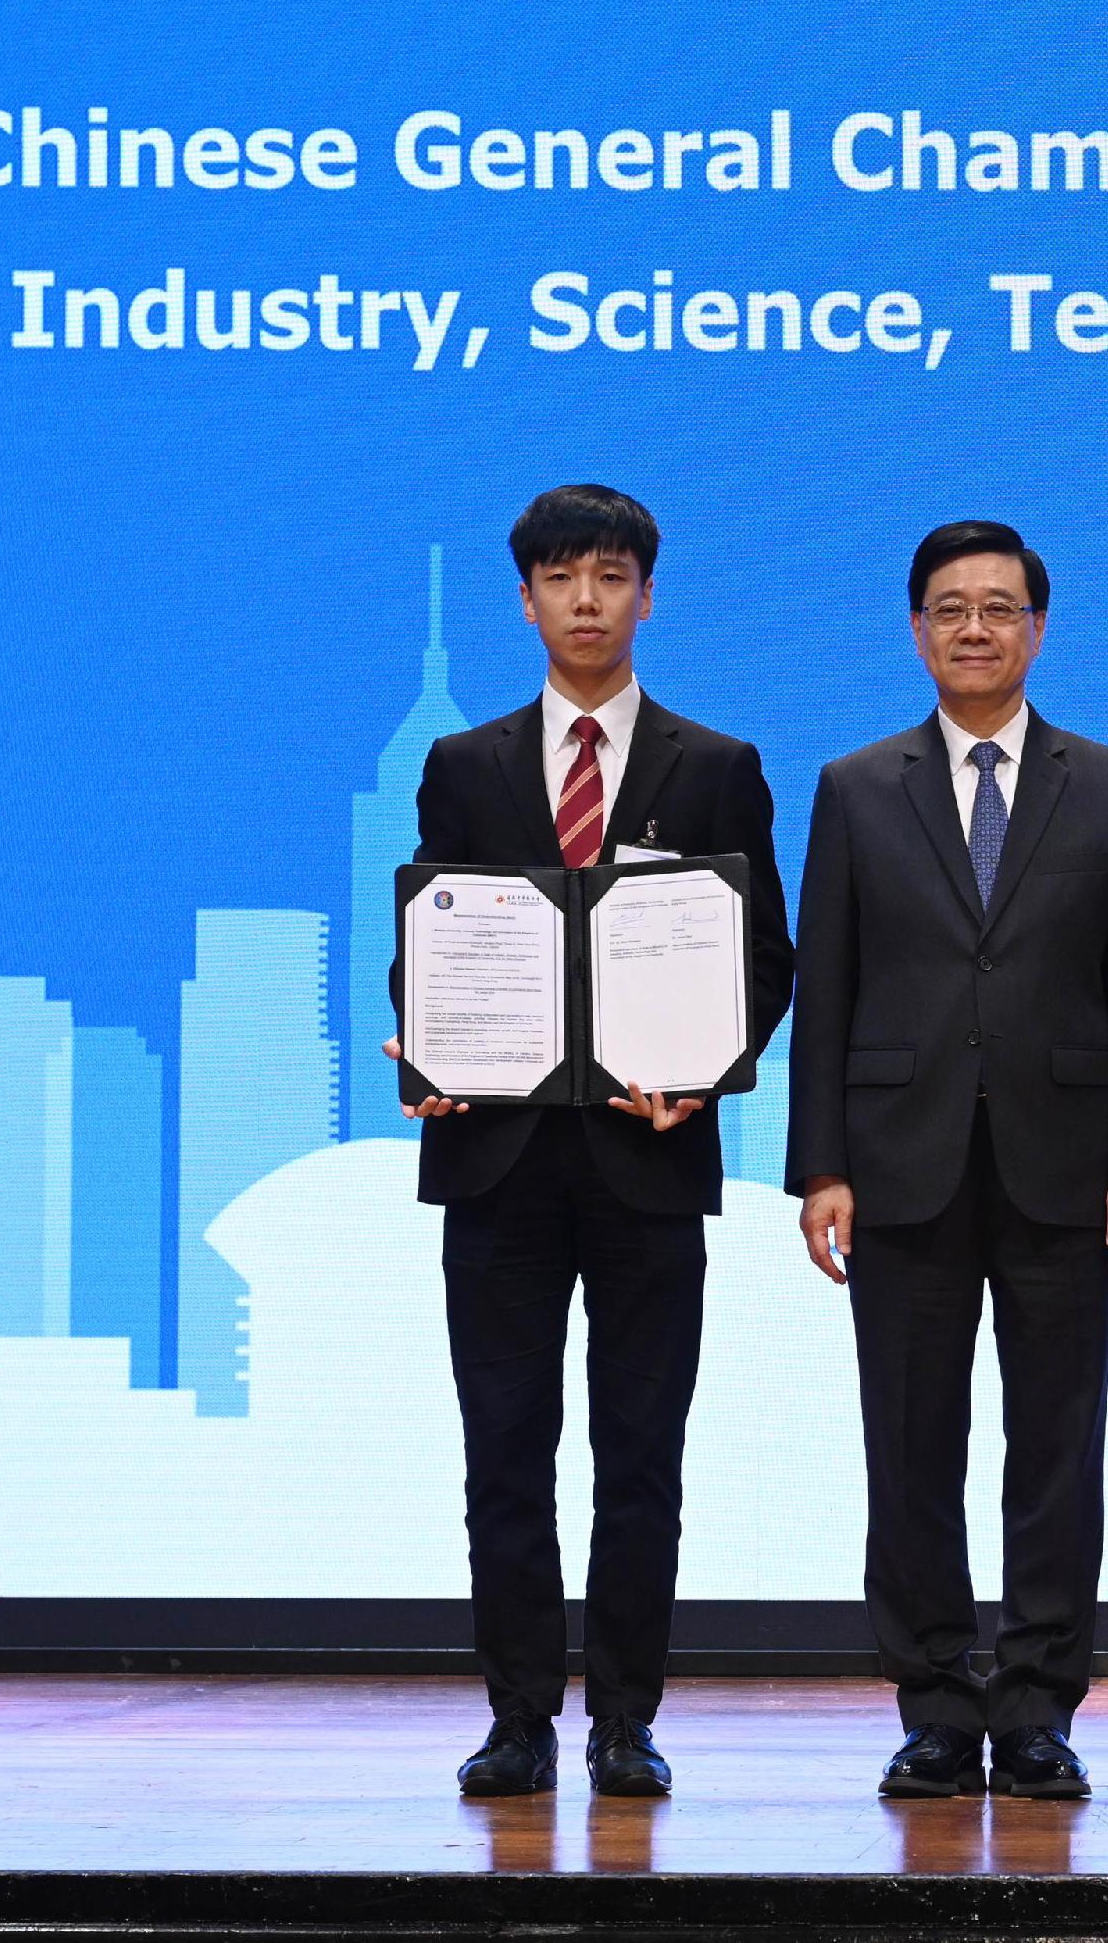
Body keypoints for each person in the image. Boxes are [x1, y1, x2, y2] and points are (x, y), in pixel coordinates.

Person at [389, 484, 794, 1803]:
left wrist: (710, 1064)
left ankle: (625, 1716)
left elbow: (767, 955)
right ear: (525, 598)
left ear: (647, 595)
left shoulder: (717, 764)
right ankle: (517, 1714)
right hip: (496, 1161)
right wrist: (426, 1047)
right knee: (502, 1451)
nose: (584, 598)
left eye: (609, 575)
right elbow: (434, 941)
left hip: (648, 1155)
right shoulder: (465, 764)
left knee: (641, 1457)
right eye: (559, 576)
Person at [786, 521, 1108, 1801]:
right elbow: (826, 984)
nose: (973, 629)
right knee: (909, 1446)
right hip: (899, 1166)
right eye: (949, 609)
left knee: (1057, 1450)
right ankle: (938, 1704)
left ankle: (1039, 1704)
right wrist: (819, 1165)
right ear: (916, 631)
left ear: (1038, 631)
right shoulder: (855, 786)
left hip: (1067, 1169)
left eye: (998, 608)